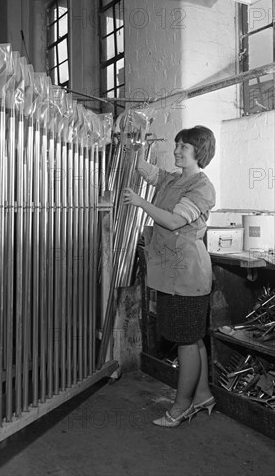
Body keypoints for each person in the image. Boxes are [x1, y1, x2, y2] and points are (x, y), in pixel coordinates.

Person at [123, 125, 216, 428]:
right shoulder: (174, 179)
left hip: (187, 274)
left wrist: (141, 203)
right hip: (171, 272)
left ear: (198, 152)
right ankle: (202, 395)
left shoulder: (201, 187)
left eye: (183, 147)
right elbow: (143, 169)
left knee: (187, 342)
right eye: (176, 145)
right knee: (193, 338)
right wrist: (135, 142)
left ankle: (180, 407)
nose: (176, 150)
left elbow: (175, 220)